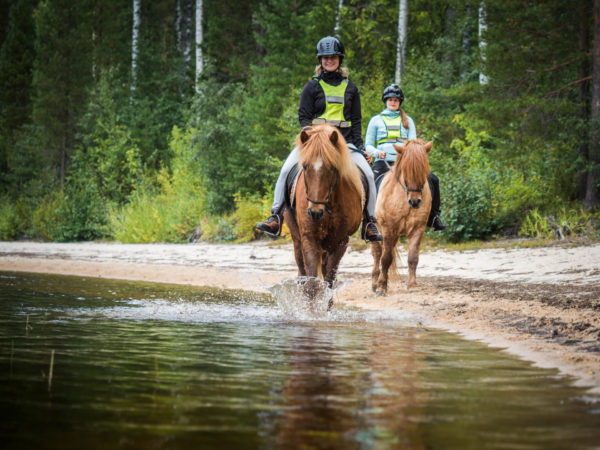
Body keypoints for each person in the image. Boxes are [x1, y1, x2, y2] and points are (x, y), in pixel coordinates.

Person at [255, 36, 382, 242]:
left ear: (339, 59)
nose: (329, 61)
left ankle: (369, 222)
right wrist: (312, 137)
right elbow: (304, 116)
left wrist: (360, 147)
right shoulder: (311, 87)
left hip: (345, 145)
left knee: (367, 175)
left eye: (333, 57)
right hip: (315, 144)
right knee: (286, 169)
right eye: (325, 58)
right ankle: (276, 216)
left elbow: (356, 121)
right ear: (320, 60)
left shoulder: (351, 88)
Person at [364, 84, 446, 231]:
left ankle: (433, 216)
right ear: (385, 101)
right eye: (390, 99)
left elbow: (413, 144)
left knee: (433, 179)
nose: (393, 102)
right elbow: (368, 145)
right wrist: (377, 153)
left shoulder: (408, 121)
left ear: (400, 102)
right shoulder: (376, 120)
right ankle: (368, 220)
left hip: (404, 163)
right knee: (369, 180)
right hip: (383, 161)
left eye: (396, 100)